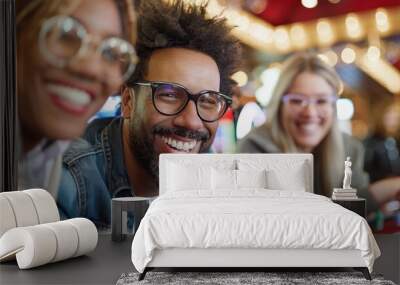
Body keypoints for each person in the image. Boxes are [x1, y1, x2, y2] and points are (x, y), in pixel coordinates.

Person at [57, 0, 241, 228]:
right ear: (127, 102)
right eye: (170, 95)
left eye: (207, 101)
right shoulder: (69, 180)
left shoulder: (217, 180)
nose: (192, 122)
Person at [16, 0, 137, 195]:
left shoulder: (48, 151)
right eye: (65, 34)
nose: (91, 68)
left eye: (111, 52)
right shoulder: (71, 168)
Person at [238, 53, 378, 211]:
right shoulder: (254, 149)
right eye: (297, 100)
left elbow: (358, 208)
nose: (310, 112)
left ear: (333, 107)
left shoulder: (350, 149)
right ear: (279, 105)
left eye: (321, 101)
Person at [364, 100, 400, 206]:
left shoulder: (396, 141)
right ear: (381, 115)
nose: (394, 117)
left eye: (396, 113)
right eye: (390, 113)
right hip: (379, 198)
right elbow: (366, 173)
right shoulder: (370, 143)